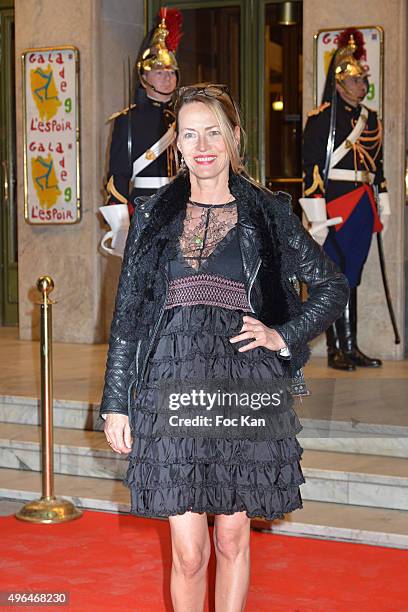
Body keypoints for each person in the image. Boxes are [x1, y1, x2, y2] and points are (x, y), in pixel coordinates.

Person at [100, 83, 349, 611]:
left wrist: (282, 334)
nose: (202, 144)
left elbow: (331, 286)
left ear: (234, 136)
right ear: (178, 145)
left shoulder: (268, 212)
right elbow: (128, 318)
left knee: (232, 539)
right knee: (189, 553)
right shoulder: (151, 217)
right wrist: (116, 403)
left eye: (213, 131)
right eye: (189, 134)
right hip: (170, 387)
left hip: (245, 385)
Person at [302, 28, 390, 371]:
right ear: (339, 84)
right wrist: (316, 213)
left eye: (363, 80)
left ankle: (351, 347)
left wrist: (382, 197)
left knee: (354, 275)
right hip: (335, 206)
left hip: (363, 204)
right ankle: (337, 348)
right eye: (354, 81)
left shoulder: (371, 118)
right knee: (337, 276)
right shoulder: (321, 119)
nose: (361, 85)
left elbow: (377, 164)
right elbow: (311, 168)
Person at [106, 8, 183, 216]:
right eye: (159, 73)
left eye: (171, 73)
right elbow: (119, 175)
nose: (167, 78)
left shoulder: (186, 116)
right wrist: (121, 218)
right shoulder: (127, 119)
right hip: (145, 207)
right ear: (144, 78)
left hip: (186, 205)